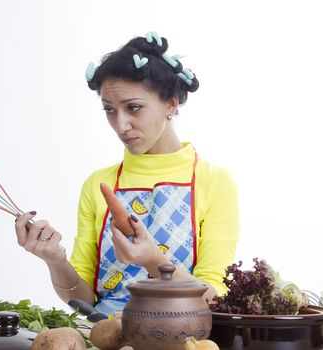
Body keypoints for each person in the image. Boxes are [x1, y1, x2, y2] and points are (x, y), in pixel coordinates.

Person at [15, 31, 240, 315]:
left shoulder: (214, 182)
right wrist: (56, 261)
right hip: (104, 333)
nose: (121, 125)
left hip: (180, 333)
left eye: (134, 108)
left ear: (171, 103)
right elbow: (85, 301)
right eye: (110, 110)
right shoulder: (98, 183)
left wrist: (153, 261)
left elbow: (213, 298)